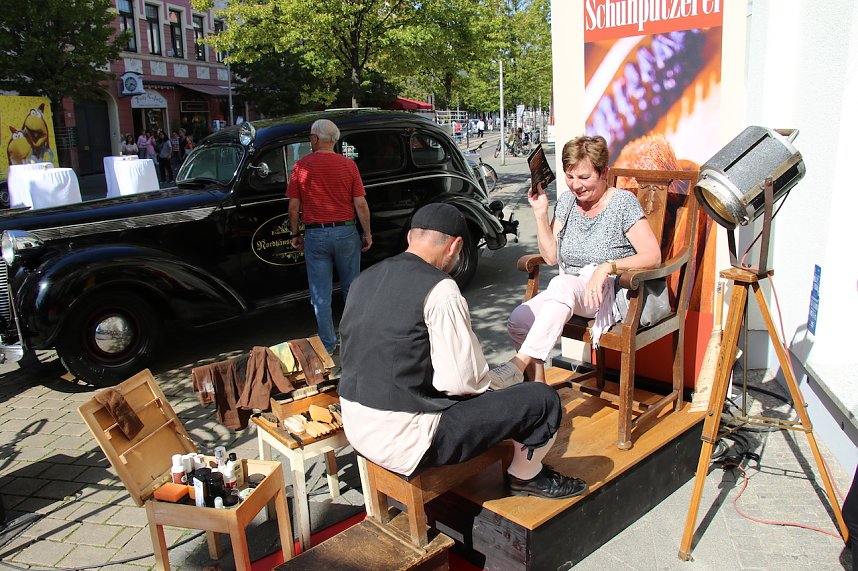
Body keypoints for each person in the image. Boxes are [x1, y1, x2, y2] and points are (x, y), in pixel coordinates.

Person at [338, 203, 587, 499]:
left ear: (411, 238)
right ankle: (526, 476)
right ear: (456, 246)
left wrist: (511, 367)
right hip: (407, 440)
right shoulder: (440, 289)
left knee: (497, 383)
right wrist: (503, 375)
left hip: (357, 427)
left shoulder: (364, 279)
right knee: (542, 400)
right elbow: (464, 383)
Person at [506, 135, 662, 383]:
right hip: (570, 291)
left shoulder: (622, 203)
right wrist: (540, 212)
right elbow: (549, 257)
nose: (575, 185)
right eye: (570, 176)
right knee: (519, 320)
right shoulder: (568, 202)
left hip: (606, 293)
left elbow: (653, 255)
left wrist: (606, 268)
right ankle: (540, 390)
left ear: (604, 173)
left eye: (584, 177)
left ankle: (519, 363)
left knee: (561, 284)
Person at [287, 119, 372, 355]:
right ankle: (354, 340)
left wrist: (295, 233)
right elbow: (361, 204)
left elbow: (294, 207)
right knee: (351, 289)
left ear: (315, 139)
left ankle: (327, 344)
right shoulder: (349, 166)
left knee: (320, 295)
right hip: (346, 232)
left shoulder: (301, 167)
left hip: (315, 234)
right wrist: (367, 232)